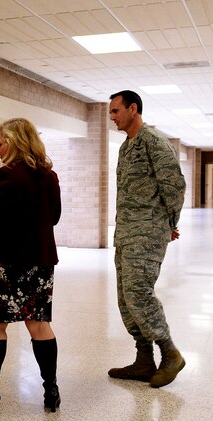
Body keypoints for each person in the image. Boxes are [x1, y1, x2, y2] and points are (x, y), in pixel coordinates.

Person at [0, 118, 62, 415]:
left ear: (12, 142)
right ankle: (51, 390)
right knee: (39, 324)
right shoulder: (49, 176)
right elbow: (54, 217)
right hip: (40, 262)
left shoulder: (5, 176)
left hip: (5, 263)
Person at [107, 90, 186, 387]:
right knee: (125, 298)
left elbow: (175, 186)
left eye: (116, 111)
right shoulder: (126, 148)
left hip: (147, 233)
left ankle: (170, 354)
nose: (112, 117)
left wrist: (168, 223)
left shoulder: (155, 143)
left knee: (139, 292)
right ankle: (143, 360)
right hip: (126, 233)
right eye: (111, 112)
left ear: (133, 109)